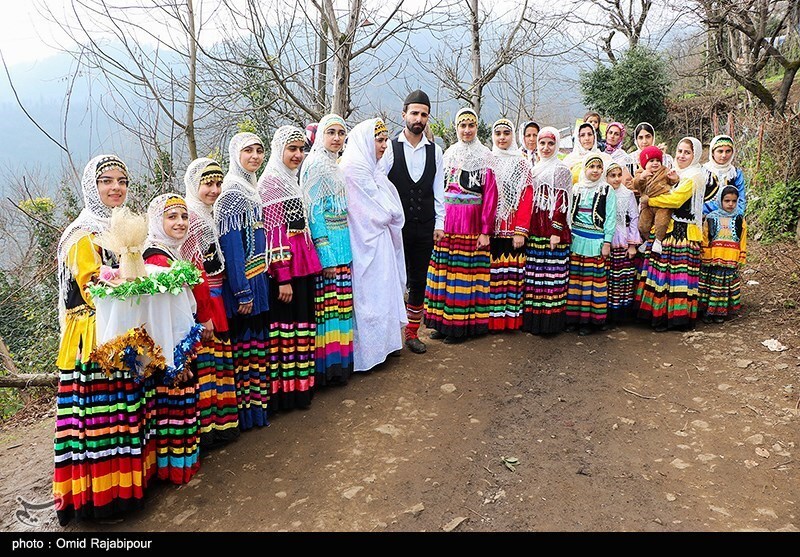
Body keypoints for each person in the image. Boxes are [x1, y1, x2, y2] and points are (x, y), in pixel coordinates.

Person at [54, 155, 154, 525]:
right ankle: (103, 499)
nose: (116, 188)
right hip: (94, 335)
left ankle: (128, 489)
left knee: (126, 409)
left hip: (121, 326)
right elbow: (92, 287)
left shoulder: (118, 228)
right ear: (91, 187)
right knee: (103, 417)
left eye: (122, 181)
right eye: (107, 181)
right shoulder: (83, 235)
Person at [259, 125, 322, 410]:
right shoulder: (272, 183)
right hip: (287, 269)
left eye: (301, 149)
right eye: (291, 149)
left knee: (301, 328)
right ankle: (285, 394)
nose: (297, 155)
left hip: (303, 263)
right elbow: (274, 233)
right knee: (286, 331)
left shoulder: (290, 180)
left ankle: (300, 389)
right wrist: (283, 276)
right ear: (278, 150)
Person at [142, 193, 202, 485]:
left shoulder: (169, 251)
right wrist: (178, 360)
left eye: (184, 216)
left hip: (178, 343)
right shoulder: (156, 258)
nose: (180, 223)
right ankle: (177, 468)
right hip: (172, 349)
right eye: (172, 217)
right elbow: (164, 313)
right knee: (174, 405)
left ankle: (180, 464)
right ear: (157, 221)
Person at [180, 158, 240, 449]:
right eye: (208, 184)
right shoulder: (192, 219)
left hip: (215, 297)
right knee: (208, 367)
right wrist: (203, 312)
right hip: (204, 301)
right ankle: (209, 430)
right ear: (194, 185)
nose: (215, 190)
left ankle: (218, 426)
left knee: (216, 365)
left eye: (218, 184)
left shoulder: (206, 214)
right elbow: (194, 271)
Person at [424, 107, 498, 344]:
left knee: (464, 276)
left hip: (471, 223)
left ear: (476, 127)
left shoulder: (485, 156)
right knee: (444, 273)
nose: (467, 130)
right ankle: (441, 322)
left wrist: (485, 231)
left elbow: (491, 196)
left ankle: (460, 327)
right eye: (462, 126)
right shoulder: (448, 154)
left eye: (471, 125)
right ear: (456, 128)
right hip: (448, 222)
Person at [214, 132, 271, 429]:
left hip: (258, 277)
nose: (255, 156)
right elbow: (233, 249)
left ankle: (259, 412)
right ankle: (248, 416)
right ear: (235, 155)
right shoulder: (232, 194)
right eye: (248, 151)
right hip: (245, 283)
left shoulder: (251, 188)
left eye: (259, 150)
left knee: (257, 349)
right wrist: (242, 291)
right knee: (246, 351)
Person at [342, 117, 408, 370]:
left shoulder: (370, 168)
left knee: (382, 294)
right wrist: (392, 212)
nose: (384, 145)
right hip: (364, 242)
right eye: (379, 140)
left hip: (378, 242)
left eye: (385, 140)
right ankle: (369, 354)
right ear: (365, 142)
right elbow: (380, 212)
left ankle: (385, 346)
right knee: (370, 297)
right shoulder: (355, 169)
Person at [382, 89, 445, 354]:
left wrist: (440, 223)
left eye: (423, 114)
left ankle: (411, 333)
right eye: (414, 113)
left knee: (418, 280)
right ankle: (390, 337)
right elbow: (379, 184)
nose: (418, 119)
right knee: (394, 278)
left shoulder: (436, 151)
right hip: (396, 227)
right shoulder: (390, 148)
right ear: (404, 114)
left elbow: (438, 190)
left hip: (425, 225)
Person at [300, 114, 355, 385]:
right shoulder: (315, 165)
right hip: (329, 249)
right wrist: (326, 255)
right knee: (328, 311)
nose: (336, 138)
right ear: (321, 135)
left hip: (343, 244)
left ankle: (341, 365)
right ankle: (327, 369)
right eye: (331, 132)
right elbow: (314, 214)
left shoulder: (335, 165)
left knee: (341, 308)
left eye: (341, 133)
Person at [636, 136, 705, 332]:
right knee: (661, 273)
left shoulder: (694, 176)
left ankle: (676, 317)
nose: (682, 156)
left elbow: (675, 200)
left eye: (687, 152)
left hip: (683, 233)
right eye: (680, 151)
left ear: (695, 155)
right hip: (667, 230)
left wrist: (648, 201)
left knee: (678, 276)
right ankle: (659, 315)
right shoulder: (674, 173)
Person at [521, 126, 573, 335]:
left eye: (551, 143)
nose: (546, 148)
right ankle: (534, 322)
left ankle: (550, 324)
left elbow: (561, 203)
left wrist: (556, 232)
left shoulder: (561, 170)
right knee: (535, 278)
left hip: (552, 231)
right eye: (542, 143)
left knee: (552, 278)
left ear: (557, 145)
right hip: (535, 229)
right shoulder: (534, 168)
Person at [488, 118, 533, 332]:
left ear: (513, 136)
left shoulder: (521, 163)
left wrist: (520, 231)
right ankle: (491, 321)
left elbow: (526, 197)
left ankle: (510, 321)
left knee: (512, 276)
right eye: (498, 134)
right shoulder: (488, 160)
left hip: (513, 227)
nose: (502, 138)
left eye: (506, 133)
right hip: (491, 228)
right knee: (492, 276)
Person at [564, 153, 616, 335]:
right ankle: (573, 319)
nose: (595, 170)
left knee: (592, 283)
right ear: (584, 168)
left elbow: (610, 217)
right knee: (576, 280)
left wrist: (607, 242)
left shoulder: (606, 190)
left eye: (599, 167)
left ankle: (589, 321)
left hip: (596, 241)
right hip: (577, 239)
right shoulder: (576, 188)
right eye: (591, 166)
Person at [700, 186, 747, 323]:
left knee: (724, 288)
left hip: (730, 257)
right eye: (727, 201)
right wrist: (704, 254)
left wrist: (741, 256)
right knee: (710, 286)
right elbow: (705, 238)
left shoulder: (739, 219)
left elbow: (742, 239)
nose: (730, 204)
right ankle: (707, 312)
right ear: (720, 201)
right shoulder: (711, 218)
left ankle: (720, 312)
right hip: (713, 258)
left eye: (734, 201)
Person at [605, 158, 642, 326]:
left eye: (619, 175)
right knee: (608, 278)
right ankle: (606, 314)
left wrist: (632, 244)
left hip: (623, 240)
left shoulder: (627, 194)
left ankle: (620, 315)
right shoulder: (603, 192)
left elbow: (634, 218)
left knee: (622, 278)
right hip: (606, 241)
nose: (616, 179)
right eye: (612, 175)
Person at [632, 146, 680, 254]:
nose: (655, 163)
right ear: (644, 163)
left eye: (658, 160)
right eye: (651, 161)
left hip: (662, 203)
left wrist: (674, 178)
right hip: (647, 205)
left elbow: (672, 182)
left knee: (662, 222)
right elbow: (636, 185)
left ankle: (658, 241)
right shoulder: (640, 173)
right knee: (642, 225)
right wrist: (642, 178)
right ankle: (648, 240)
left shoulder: (664, 171)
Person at [702, 134, 747, 216]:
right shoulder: (703, 172)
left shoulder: (735, 174)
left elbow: (741, 199)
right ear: (712, 152)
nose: (724, 155)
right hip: (704, 215)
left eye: (728, 151)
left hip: (731, 216)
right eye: (720, 151)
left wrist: (737, 216)